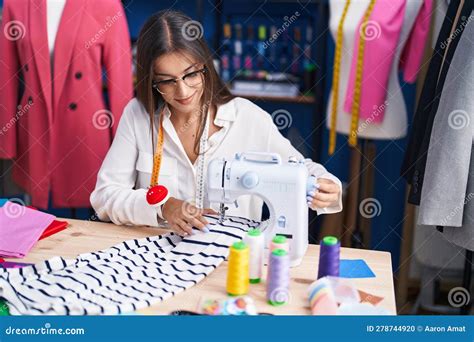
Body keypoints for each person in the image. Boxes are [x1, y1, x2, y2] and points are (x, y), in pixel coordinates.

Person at [90, 10, 342, 237]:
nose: (183, 90)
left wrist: (326, 187)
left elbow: (304, 169)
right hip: (156, 257)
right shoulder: (138, 116)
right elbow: (104, 197)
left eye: (190, 74)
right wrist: (163, 206)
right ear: (150, 81)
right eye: (167, 81)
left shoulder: (247, 118)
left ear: (205, 66)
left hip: (231, 259)